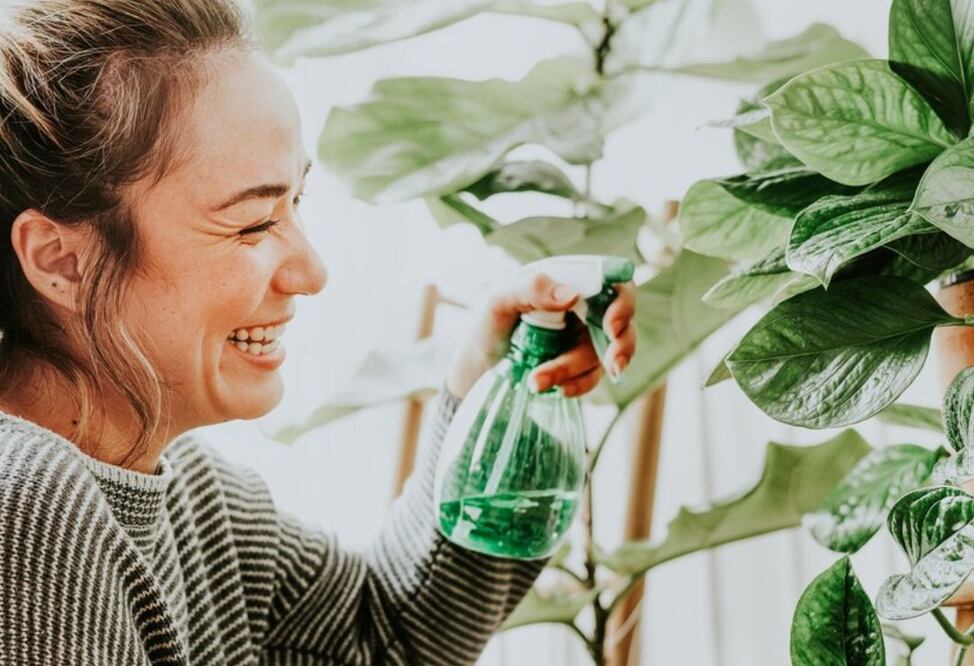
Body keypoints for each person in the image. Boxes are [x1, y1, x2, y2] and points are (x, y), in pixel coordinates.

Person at [0, 1, 638, 664]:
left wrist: (493, 378)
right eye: (251, 224)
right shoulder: (24, 511)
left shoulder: (197, 496)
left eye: (295, 204)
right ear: (62, 260)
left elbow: (393, 641)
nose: (311, 272)